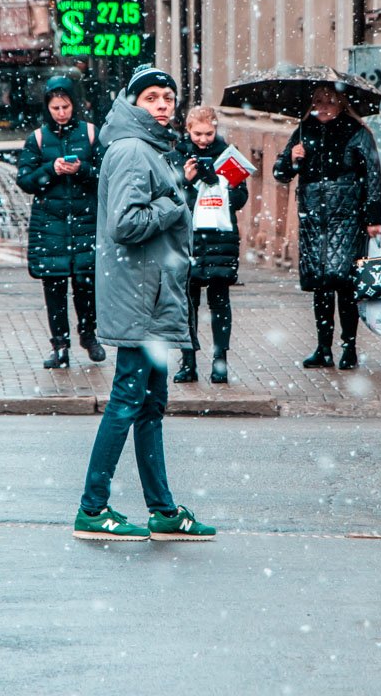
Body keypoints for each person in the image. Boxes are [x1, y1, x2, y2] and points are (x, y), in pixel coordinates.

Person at [73, 64, 215, 542]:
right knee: (128, 401)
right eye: (151, 97)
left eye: (168, 98)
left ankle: (162, 509)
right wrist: (177, 202)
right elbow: (126, 223)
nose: (161, 104)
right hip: (139, 296)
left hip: (150, 294)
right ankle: (93, 507)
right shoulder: (133, 150)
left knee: (151, 404)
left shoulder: (149, 147)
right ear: (134, 103)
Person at [273, 85, 381, 370]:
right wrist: (291, 159)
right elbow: (280, 174)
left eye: (329, 101)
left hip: (347, 216)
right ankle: (323, 348)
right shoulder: (302, 131)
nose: (323, 106)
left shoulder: (356, 133)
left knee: (344, 284)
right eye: (318, 101)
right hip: (313, 219)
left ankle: (349, 347)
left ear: (341, 104)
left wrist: (373, 219)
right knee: (321, 285)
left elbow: (372, 176)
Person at [16, 75, 105, 368]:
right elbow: (25, 181)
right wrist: (51, 170)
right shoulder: (38, 138)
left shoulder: (91, 133)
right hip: (50, 225)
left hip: (84, 221)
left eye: (65, 106)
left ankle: (88, 335)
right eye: (55, 108)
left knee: (86, 285)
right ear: (48, 108)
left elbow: (106, 175)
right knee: (54, 288)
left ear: (74, 105)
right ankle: (60, 346)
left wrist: (81, 170)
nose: (61, 113)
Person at [169, 105, 248, 384]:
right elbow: (170, 199)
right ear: (188, 130)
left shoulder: (228, 157)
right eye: (198, 133)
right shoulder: (177, 155)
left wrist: (222, 184)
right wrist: (188, 182)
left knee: (220, 301)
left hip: (220, 239)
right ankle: (188, 360)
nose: (203, 139)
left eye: (209, 133)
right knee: (187, 303)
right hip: (188, 240)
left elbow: (240, 201)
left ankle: (220, 360)